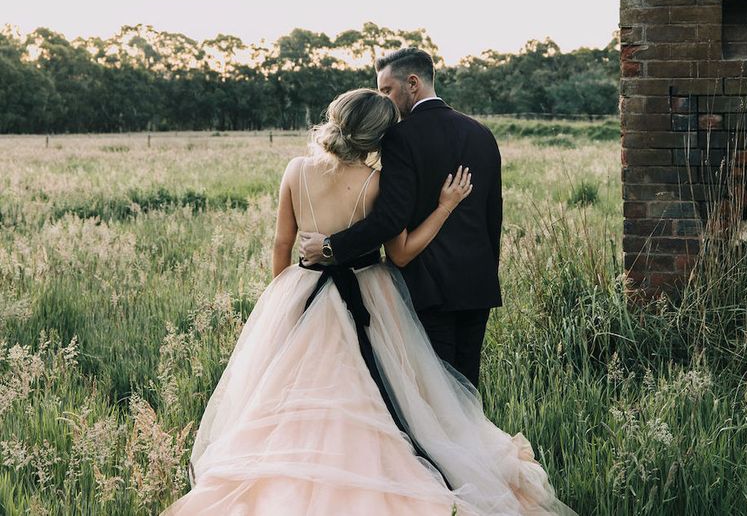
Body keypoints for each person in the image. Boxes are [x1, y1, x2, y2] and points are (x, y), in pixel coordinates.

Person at [161, 88, 573, 516]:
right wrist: (446, 206)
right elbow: (402, 253)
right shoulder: (376, 184)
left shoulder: (296, 170)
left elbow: (282, 244)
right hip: (368, 293)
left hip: (302, 290)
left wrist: (285, 304)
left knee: (292, 398)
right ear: (379, 139)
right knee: (383, 395)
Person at [301, 47, 502, 389]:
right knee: (467, 390)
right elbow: (492, 218)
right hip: (476, 285)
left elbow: (390, 220)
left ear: (412, 83)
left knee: (432, 393)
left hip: (426, 288)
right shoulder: (481, 134)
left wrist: (331, 247)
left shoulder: (400, 138)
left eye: (386, 90)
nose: (384, 100)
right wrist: (484, 273)